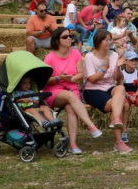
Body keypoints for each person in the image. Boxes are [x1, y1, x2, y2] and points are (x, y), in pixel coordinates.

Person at [42, 27, 102, 155]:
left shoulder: (75, 53)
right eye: (65, 37)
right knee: (70, 96)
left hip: (71, 88)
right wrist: (60, 78)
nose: (69, 38)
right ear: (57, 41)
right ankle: (91, 125)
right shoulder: (50, 57)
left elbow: (81, 74)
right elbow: (45, 80)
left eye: (69, 36)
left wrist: (71, 78)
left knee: (70, 108)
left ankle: (73, 144)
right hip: (54, 90)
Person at [82, 29, 132, 153]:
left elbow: (117, 78)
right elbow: (92, 79)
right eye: (106, 40)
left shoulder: (114, 55)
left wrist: (118, 67)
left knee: (120, 88)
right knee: (119, 104)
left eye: (110, 40)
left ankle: (116, 121)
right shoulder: (89, 57)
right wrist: (104, 68)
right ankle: (119, 142)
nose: (109, 42)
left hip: (109, 87)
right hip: (92, 90)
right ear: (98, 42)